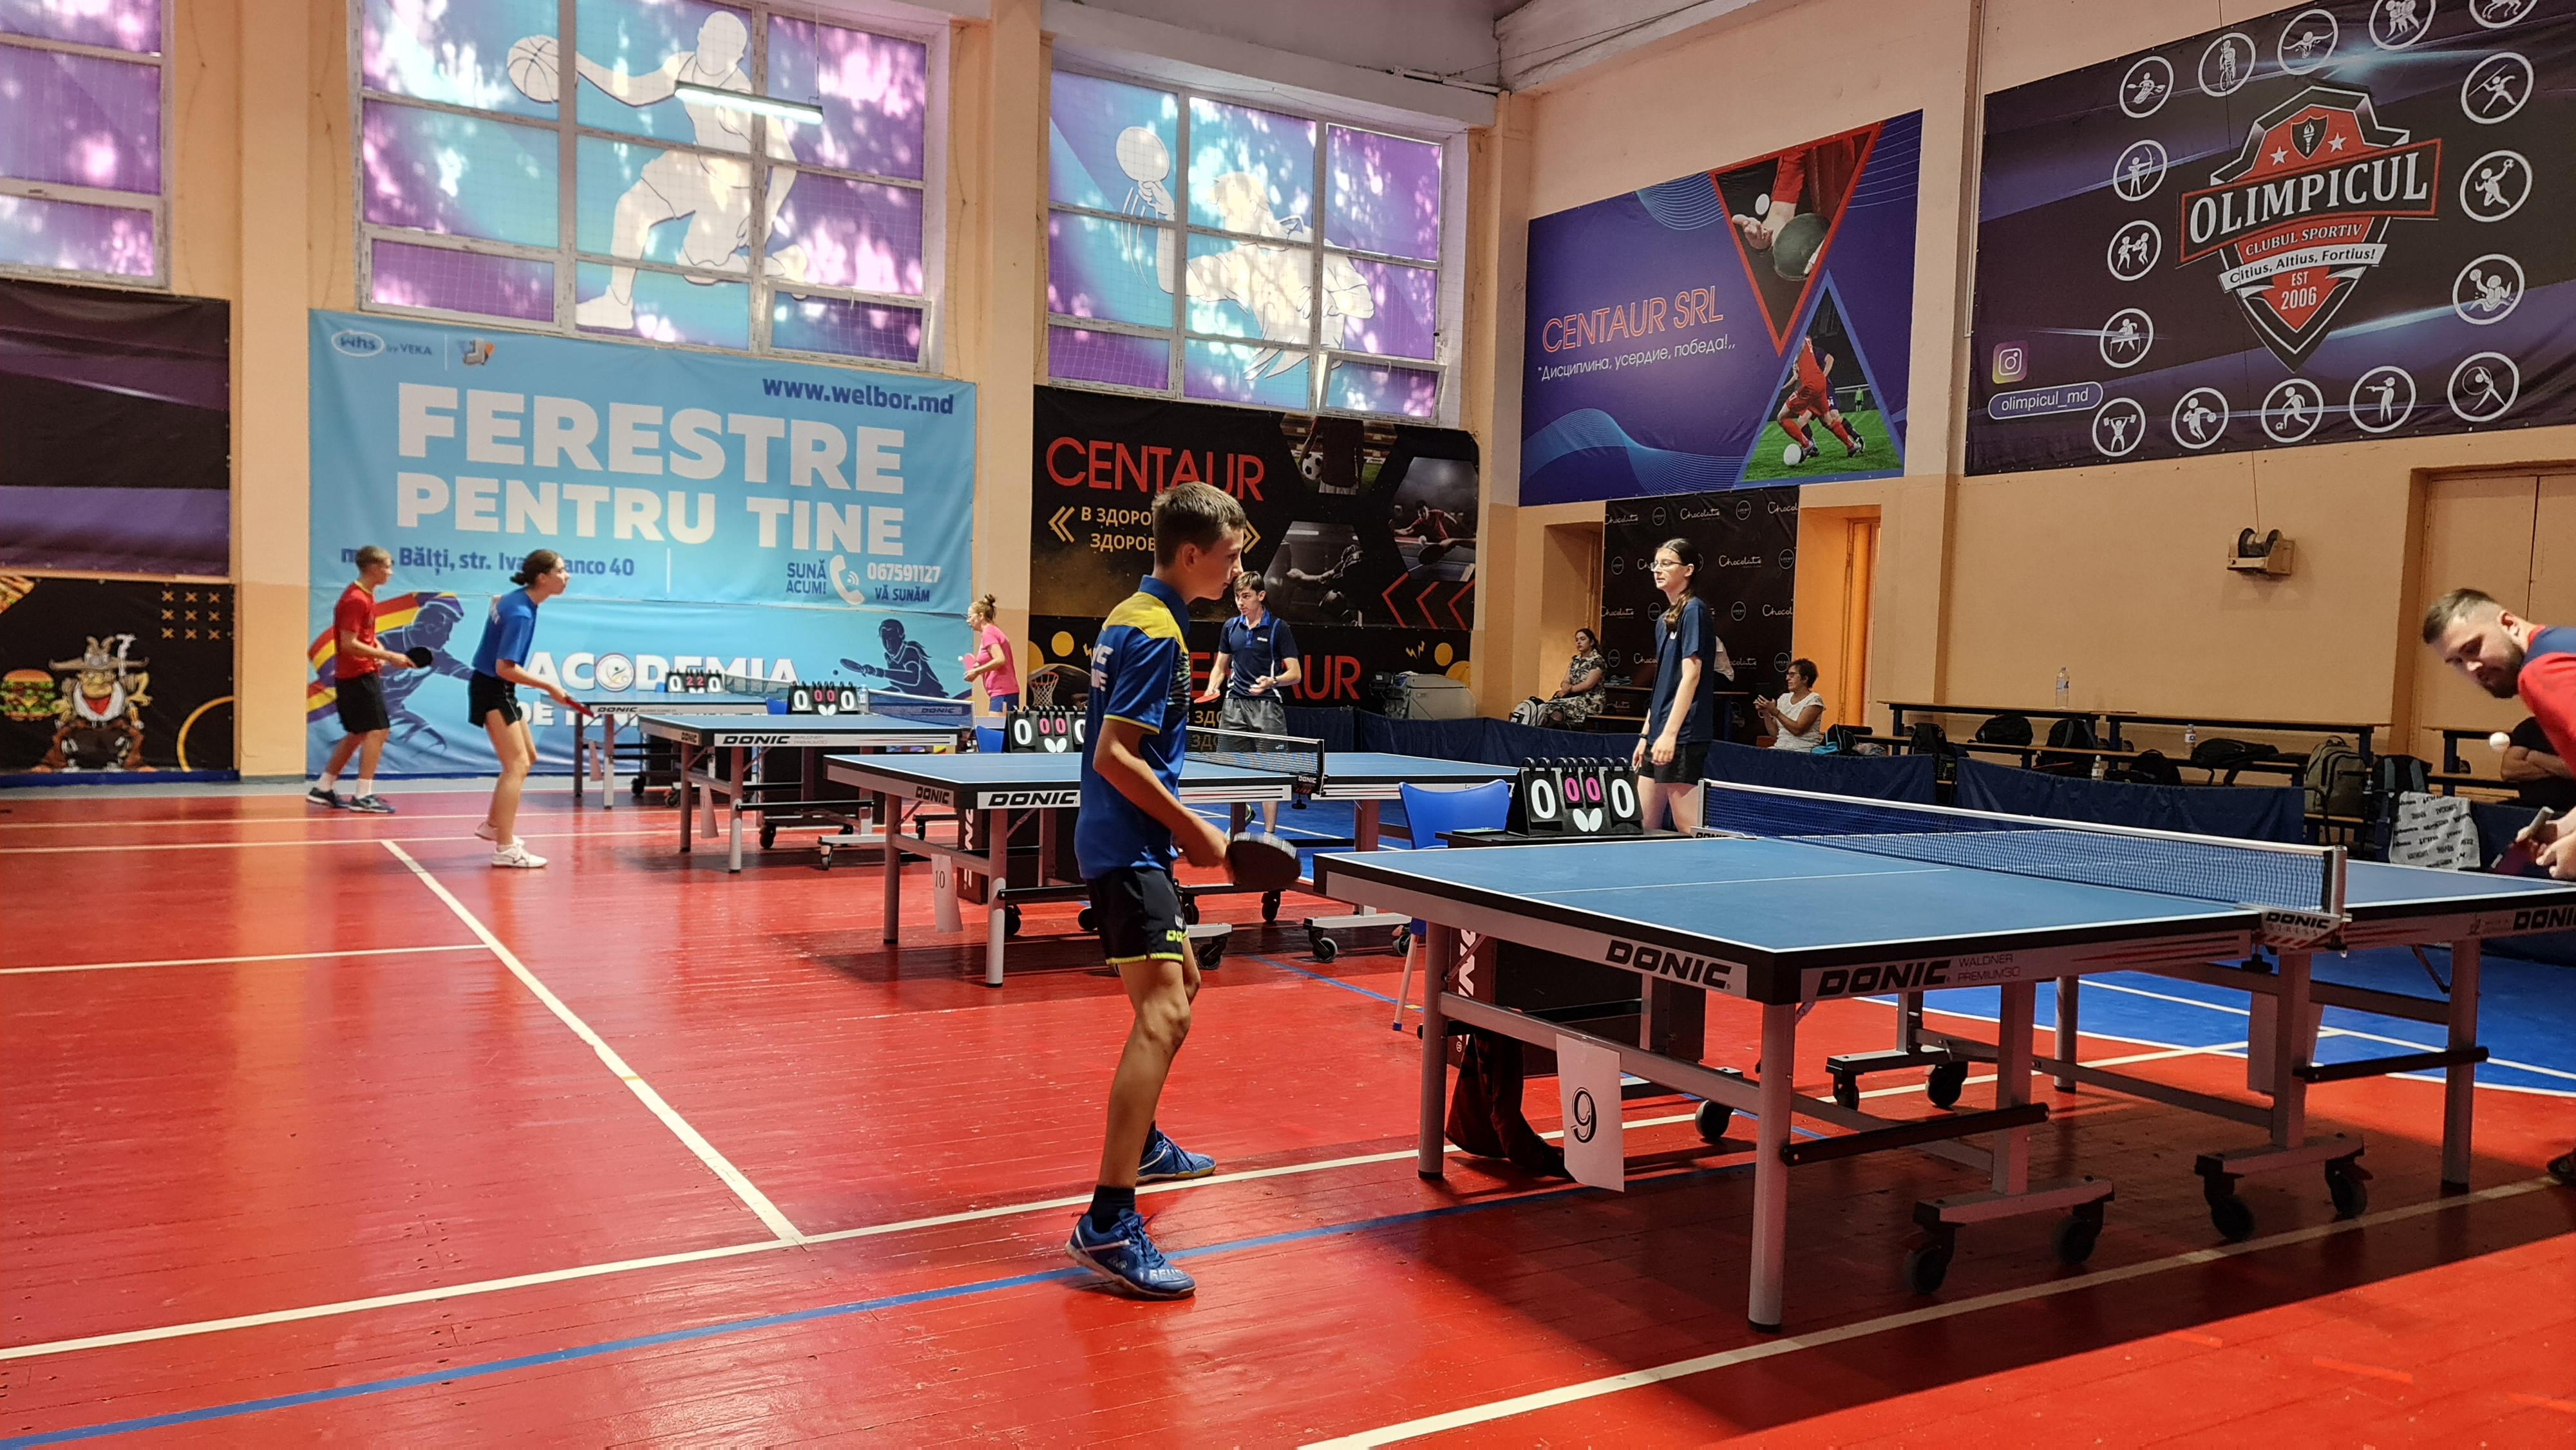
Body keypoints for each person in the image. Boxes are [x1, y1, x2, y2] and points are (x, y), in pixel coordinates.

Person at [1066, 482, 1251, 1299]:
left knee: (1186, 986)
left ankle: (1141, 1144)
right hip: (1128, 844)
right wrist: (1196, 828)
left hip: (1132, 842)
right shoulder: (1158, 634)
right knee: (1165, 1011)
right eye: (1230, 555)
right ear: (1190, 553)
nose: (1235, 567)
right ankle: (1109, 1220)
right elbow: (1115, 754)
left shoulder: (1131, 613)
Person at [2419, 587, 2576, 1186]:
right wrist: (2565, 826)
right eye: (2457, 663)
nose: (2472, 667)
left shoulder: (2544, 672)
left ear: (2508, 622)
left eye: (2474, 647)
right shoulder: (2565, 650)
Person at [469, 550, 574, 869]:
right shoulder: (521, 614)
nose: (567, 576)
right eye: (561, 570)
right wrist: (550, 686)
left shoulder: (514, 600)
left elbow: (496, 603)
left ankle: (494, 825)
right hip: (493, 688)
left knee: (527, 756)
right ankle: (505, 849)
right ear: (542, 578)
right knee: (515, 765)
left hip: (497, 688)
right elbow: (504, 668)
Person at [1632, 538, 1732, 831]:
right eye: (1655, 564)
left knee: (1687, 826)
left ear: (1688, 570)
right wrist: (1646, 734)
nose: (1657, 570)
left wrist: (1670, 735)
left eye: (1666, 564)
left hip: (1683, 735)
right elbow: (1663, 685)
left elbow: (1691, 676)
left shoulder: (1694, 611)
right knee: (1643, 823)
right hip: (1658, 733)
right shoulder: (1665, 619)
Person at [310, 545, 417, 813]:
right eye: (387, 567)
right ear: (373, 569)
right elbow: (348, 644)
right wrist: (390, 656)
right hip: (357, 675)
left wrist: (378, 648)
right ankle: (363, 795)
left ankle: (323, 787)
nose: (391, 573)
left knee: (357, 732)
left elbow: (362, 637)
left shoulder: (365, 596)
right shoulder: (355, 599)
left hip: (359, 672)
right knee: (378, 730)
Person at [1197, 570, 1302, 833]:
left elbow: (1295, 674)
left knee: (1271, 773)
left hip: (1267, 707)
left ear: (1261, 595)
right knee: (1228, 768)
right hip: (1234, 706)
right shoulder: (1230, 627)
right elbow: (1220, 666)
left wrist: (1272, 681)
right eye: (1237, 597)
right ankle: (1241, 815)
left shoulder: (1278, 628)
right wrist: (1213, 685)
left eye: (1246, 596)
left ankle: (1268, 834)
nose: (1241, 602)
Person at [1778, 336, 1864, 462]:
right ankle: (1851, 445)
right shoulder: (1806, 344)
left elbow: (1802, 343)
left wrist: (1795, 361)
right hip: (1820, 384)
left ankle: (1807, 445)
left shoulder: (1800, 340)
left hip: (1810, 386)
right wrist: (1783, 387)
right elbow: (1796, 376)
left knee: (1781, 418)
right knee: (1827, 421)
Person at [1513, 628, 1606, 728]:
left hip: (1589, 700)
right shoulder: (1575, 660)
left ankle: (1551, 733)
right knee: (1545, 707)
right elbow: (1566, 680)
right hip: (1571, 697)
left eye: (1583, 639)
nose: (1579, 642)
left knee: (1558, 709)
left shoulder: (1597, 661)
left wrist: (1568, 691)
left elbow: (1588, 685)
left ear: (1591, 642)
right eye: (1577, 640)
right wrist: (1565, 686)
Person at [2501, 715, 2576, 811]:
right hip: (2530, 808)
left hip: (2571, 810)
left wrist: (2536, 757)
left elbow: (2573, 769)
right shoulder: (2530, 727)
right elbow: (2508, 771)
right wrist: (2559, 769)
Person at [960, 594, 1018, 713]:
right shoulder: (993, 631)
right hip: (1005, 692)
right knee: (1004, 726)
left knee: (996, 726)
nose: (967, 621)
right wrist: (977, 669)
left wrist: (977, 671)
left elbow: (1000, 659)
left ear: (981, 616)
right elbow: (992, 660)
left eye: (970, 617)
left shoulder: (988, 633)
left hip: (1002, 692)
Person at [1757, 658, 1828, 751]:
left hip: (1803, 751)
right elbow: (1775, 735)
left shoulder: (1814, 699)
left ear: (1805, 679)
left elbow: (1797, 730)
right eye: (1788, 674)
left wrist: (1776, 712)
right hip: (1780, 748)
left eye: (1792, 675)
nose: (1787, 678)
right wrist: (1766, 712)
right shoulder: (1784, 698)